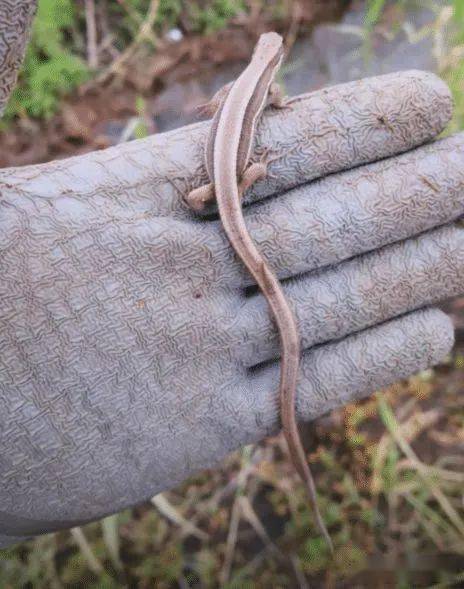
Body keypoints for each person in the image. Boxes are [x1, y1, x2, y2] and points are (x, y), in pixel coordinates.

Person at [1, 2, 463, 547]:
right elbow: (278, 101)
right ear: (272, 63)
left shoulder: (242, 83)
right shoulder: (268, 88)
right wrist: (258, 163)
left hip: (218, 189)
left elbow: (220, 103)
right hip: (232, 187)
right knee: (240, 205)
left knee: (220, 209)